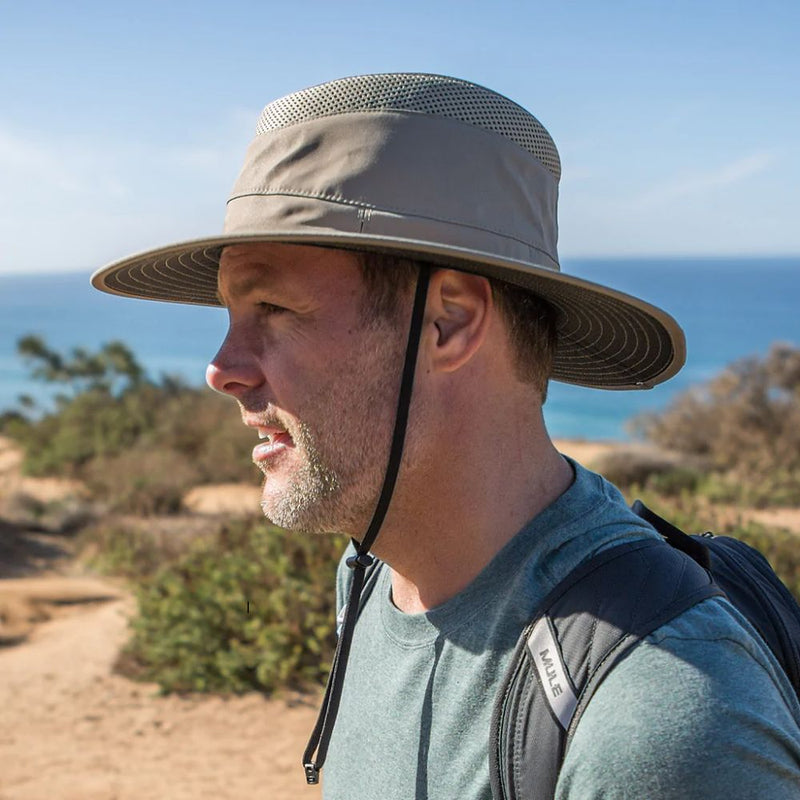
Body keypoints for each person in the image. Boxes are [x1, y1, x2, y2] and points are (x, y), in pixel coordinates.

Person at [92, 73, 800, 798]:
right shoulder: (372, 576)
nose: (221, 370)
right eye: (231, 316)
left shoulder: (658, 720)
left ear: (450, 322)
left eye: (273, 308)